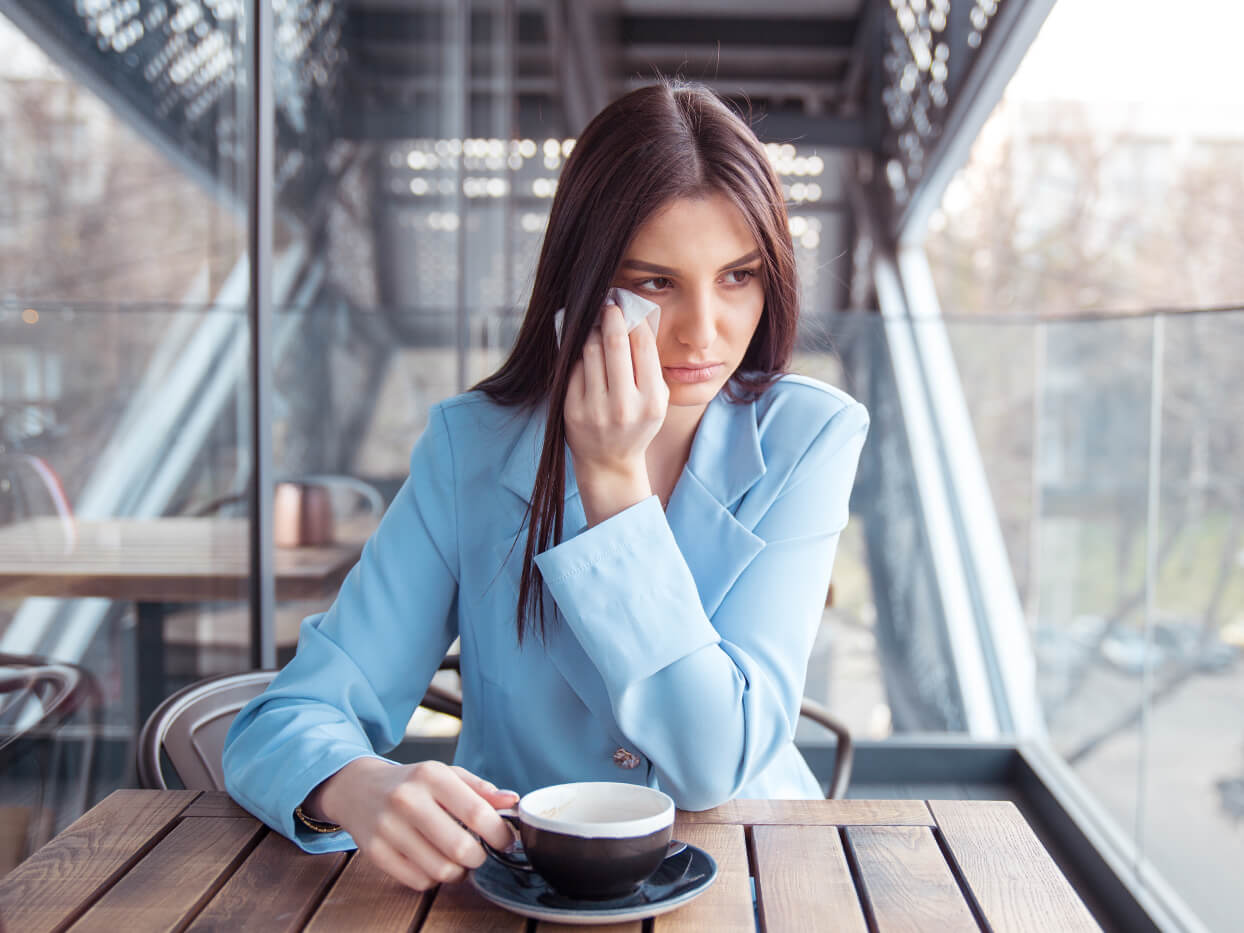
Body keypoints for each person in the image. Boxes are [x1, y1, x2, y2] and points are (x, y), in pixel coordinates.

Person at [222, 80, 869, 892]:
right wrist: (356, 785)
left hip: (756, 880)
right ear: (582, 278)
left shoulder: (811, 436)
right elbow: (280, 721)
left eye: (738, 276)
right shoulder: (474, 446)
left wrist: (611, 478)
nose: (704, 330)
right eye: (656, 282)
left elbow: (713, 765)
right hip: (519, 889)